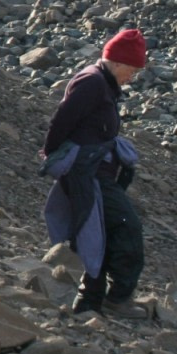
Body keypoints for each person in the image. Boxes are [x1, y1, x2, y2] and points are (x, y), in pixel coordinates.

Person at [41, 28, 148, 317]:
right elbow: (60, 122)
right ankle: (117, 299)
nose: (132, 77)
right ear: (117, 62)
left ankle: (90, 303)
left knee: (98, 232)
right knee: (126, 227)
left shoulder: (102, 82)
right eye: (132, 70)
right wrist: (55, 158)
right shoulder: (92, 84)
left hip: (94, 171)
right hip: (88, 173)